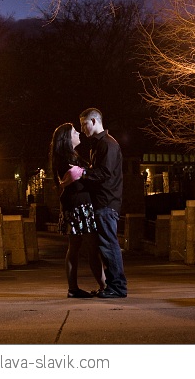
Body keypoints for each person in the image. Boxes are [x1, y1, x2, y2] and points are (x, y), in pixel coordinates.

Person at [49, 122, 106, 299]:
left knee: (75, 248)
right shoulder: (67, 160)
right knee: (91, 247)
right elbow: (81, 178)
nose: (78, 133)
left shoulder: (67, 158)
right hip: (80, 206)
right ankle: (105, 286)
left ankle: (74, 288)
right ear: (67, 138)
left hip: (75, 205)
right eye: (74, 132)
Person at [77, 108, 128, 298]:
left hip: (106, 202)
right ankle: (114, 286)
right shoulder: (101, 145)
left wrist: (82, 173)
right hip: (104, 202)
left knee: (109, 245)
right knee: (106, 246)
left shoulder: (107, 145)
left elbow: (104, 174)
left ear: (94, 121)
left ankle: (117, 287)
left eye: (84, 124)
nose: (82, 129)